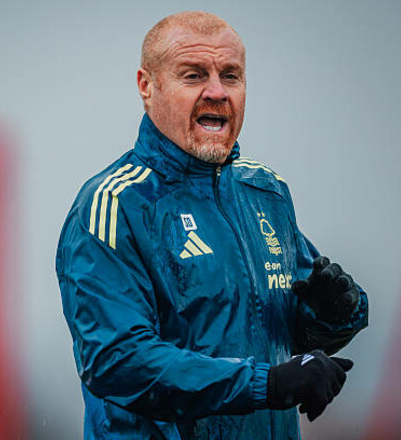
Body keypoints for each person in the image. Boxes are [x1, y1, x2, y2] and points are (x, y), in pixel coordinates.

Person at [56, 11, 368, 439]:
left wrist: (333, 314)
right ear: (147, 86)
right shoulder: (114, 205)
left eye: (231, 76)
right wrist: (266, 384)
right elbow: (118, 361)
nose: (217, 92)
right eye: (194, 75)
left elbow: (285, 336)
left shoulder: (265, 192)